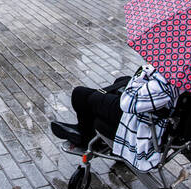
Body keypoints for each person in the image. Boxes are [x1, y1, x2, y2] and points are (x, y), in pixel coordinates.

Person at [51, 64, 182, 170]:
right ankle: (93, 133)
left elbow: (127, 103)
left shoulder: (168, 78)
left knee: (80, 94)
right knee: (121, 81)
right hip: (168, 115)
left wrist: (143, 73)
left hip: (143, 122)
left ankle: (85, 136)